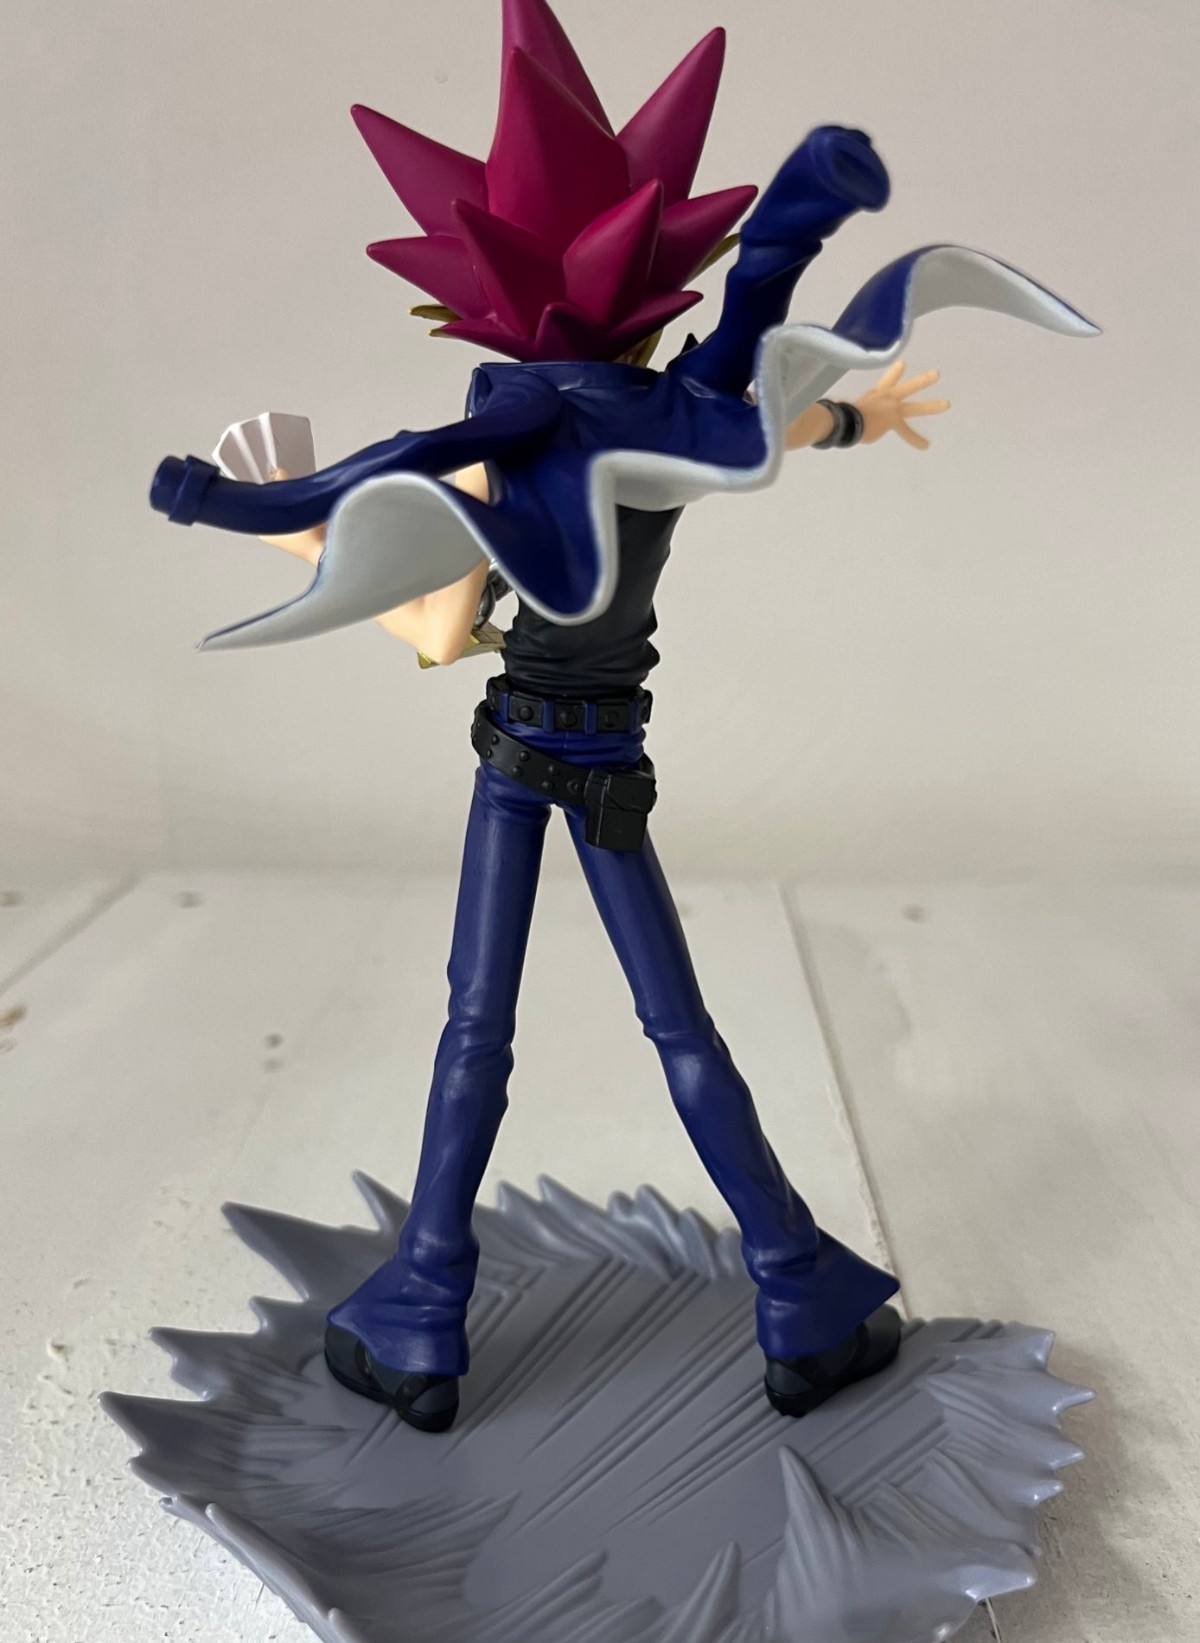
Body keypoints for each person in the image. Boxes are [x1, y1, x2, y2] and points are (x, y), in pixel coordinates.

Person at [149, 0, 1096, 1430]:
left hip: (522, 759)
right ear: (653, 300)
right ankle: (794, 1287)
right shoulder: (665, 423)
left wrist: (253, 512)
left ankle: (426, 1312)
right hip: (605, 762)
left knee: (478, 1032)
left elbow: (404, 556)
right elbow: (764, 372)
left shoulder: (515, 439)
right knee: (679, 1030)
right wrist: (839, 330)